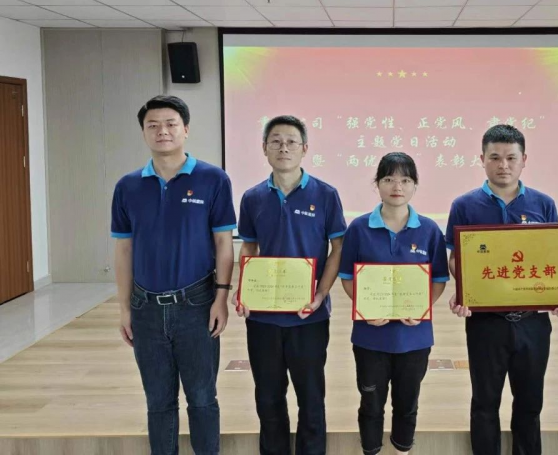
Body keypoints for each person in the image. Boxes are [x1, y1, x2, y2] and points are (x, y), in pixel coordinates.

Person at [112, 95, 236, 455]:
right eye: (153, 125)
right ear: (143, 132)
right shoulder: (127, 186)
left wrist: (221, 298)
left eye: (170, 124)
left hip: (196, 304)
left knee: (202, 397)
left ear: (185, 129)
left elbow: (223, 243)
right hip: (145, 307)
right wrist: (125, 308)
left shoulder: (213, 179)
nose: (162, 131)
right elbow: (124, 250)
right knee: (158, 400)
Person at [445, 124, 558, 455]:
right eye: (495, 157)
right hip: (486, 322)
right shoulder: (464, 205)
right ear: (482, 159)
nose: (503, 165)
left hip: (533, 322)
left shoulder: (543, 204)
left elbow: (554, 258)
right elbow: (456, 258)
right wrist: (465, 289)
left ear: (524, 159)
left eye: (511, 157)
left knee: (530, 404)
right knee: (484, 403)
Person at [233, 115, 346, 455]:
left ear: (304, 148)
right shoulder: (253, 197)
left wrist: (321, 293)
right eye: (276, 141)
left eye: (291, 142)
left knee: (311, 398)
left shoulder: (326, 194)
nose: (284, 148)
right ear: (264, 148)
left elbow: (338, 248)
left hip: (308, 315)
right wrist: (244, 291)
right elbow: (249, 246)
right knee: (268, 398)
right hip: (263, 317)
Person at [338, 152, 449, 455]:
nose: (397, 186)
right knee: (371, 403)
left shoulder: (429, 230)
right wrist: (365, 308)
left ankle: (402, 449)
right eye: (388, 179)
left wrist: (422, 309)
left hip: (415, 338)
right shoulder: (359, 228)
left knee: (407, 403)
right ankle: (371, 449)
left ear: (415, 185)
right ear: (377, 183)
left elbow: (439, 279)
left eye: (405, 180)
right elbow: (347, 277)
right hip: (370, 336)